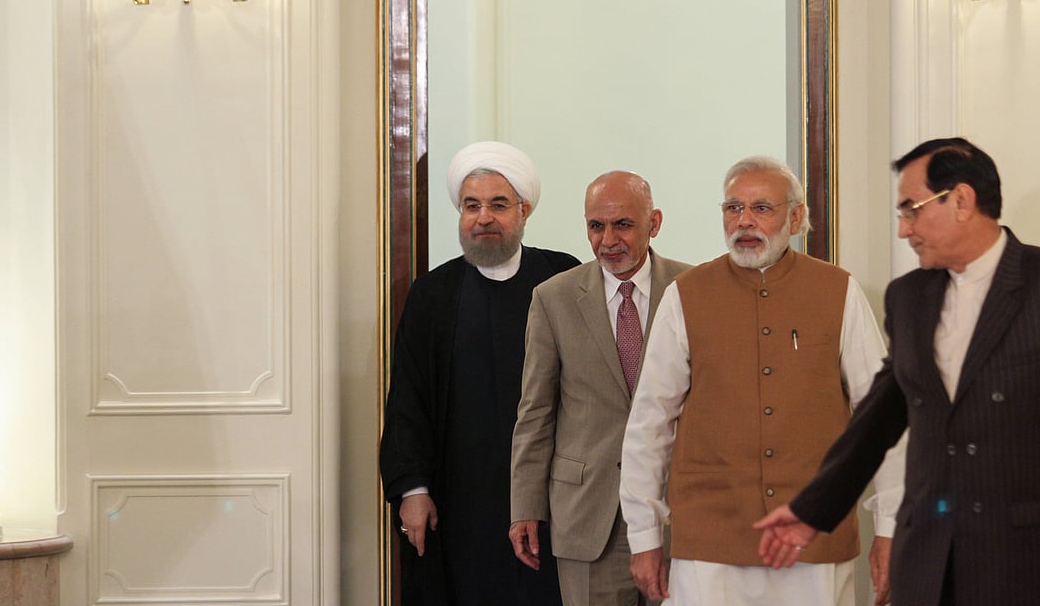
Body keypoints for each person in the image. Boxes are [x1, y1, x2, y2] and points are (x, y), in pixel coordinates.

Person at [755, 137, 1040, 606]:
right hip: (930, 563)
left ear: (961, 201)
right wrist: (812, 511)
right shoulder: (909, 298)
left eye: (912, 210)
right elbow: (877, 420)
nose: (904, 230)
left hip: (1038, 562)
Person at [619, 156, 904, 606]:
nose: (744, 221)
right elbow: (649, 424)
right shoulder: (686, 295)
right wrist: (644, 536)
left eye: (761, 208)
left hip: (813, 534)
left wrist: (890, 527)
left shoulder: (839, 291)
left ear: (795, 217)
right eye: (733, 208)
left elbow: (884, 416)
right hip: (710, 542)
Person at [379, 141, 581, 606]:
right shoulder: (433, 295)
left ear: (524, 211)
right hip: (457, 499)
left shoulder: (563, 279)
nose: (483, 218)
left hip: (548, 498)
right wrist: (413, 488)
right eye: (472, 206)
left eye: (498, 205)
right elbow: (408, 400)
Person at [509, 171, 691, 606]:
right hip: (590, 518)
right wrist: (525, 505)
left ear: (655, 223)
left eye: (623, 224)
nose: (609, 239)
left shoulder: (692, 291)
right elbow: (536, 411)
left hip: (678, 514)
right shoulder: (553, 298)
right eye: (596, 226)